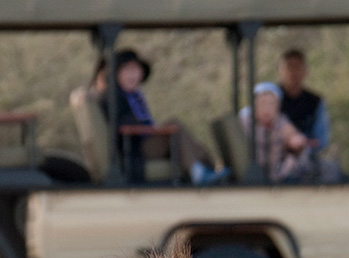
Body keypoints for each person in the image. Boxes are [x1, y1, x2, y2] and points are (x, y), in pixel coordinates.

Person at [92, 49, 222, 184]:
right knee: (174, 125)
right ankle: (199, 172)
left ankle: (208, 169)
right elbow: (124, 125)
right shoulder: (113, 97)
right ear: (116, 73)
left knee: (188, 139)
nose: (133, 75)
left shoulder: (135, 96)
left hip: (145, 140)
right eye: (127, 70)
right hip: (134, 148)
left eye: (136, 70)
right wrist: (155, 130)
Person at [239, 82, 312, 183]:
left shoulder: (280, 121)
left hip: (275, 177)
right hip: (250, 177)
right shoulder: (245, 121)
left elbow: (291, 134)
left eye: (272, 103)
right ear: (254, 104)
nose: (267, 108)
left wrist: (295, 140)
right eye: (263, 103)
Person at [278, 48, 331, 151]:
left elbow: (322, 139)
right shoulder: (271, 99)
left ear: (305, 71)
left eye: (297, 68)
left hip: (307, 158)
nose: (293, 72)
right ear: (280, 71)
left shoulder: (315, 101)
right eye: (289, 67)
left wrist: (300, 146)